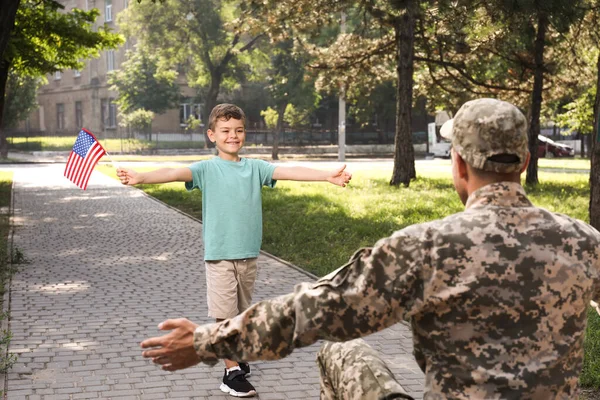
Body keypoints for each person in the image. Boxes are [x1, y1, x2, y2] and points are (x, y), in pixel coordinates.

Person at [138, 98, 600, 399]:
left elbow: (315, 311)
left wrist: (202, 340)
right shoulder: (584, 242)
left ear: (458, 163)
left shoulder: (427, 247)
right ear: (524, 160)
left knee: (343, 353)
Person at [117, 103, 351, 397]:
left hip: (248, 255)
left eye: (239, 130)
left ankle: (236, 354)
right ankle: (231, 373)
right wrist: (142, 177)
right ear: (211, 135)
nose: (233, 135)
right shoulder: (206, 169)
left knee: (241, 312)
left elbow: (289, 170)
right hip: (219, 256)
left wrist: (326, 175)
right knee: (224, 315)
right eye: (226, 131)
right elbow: (175, 172)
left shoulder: (254, 167)